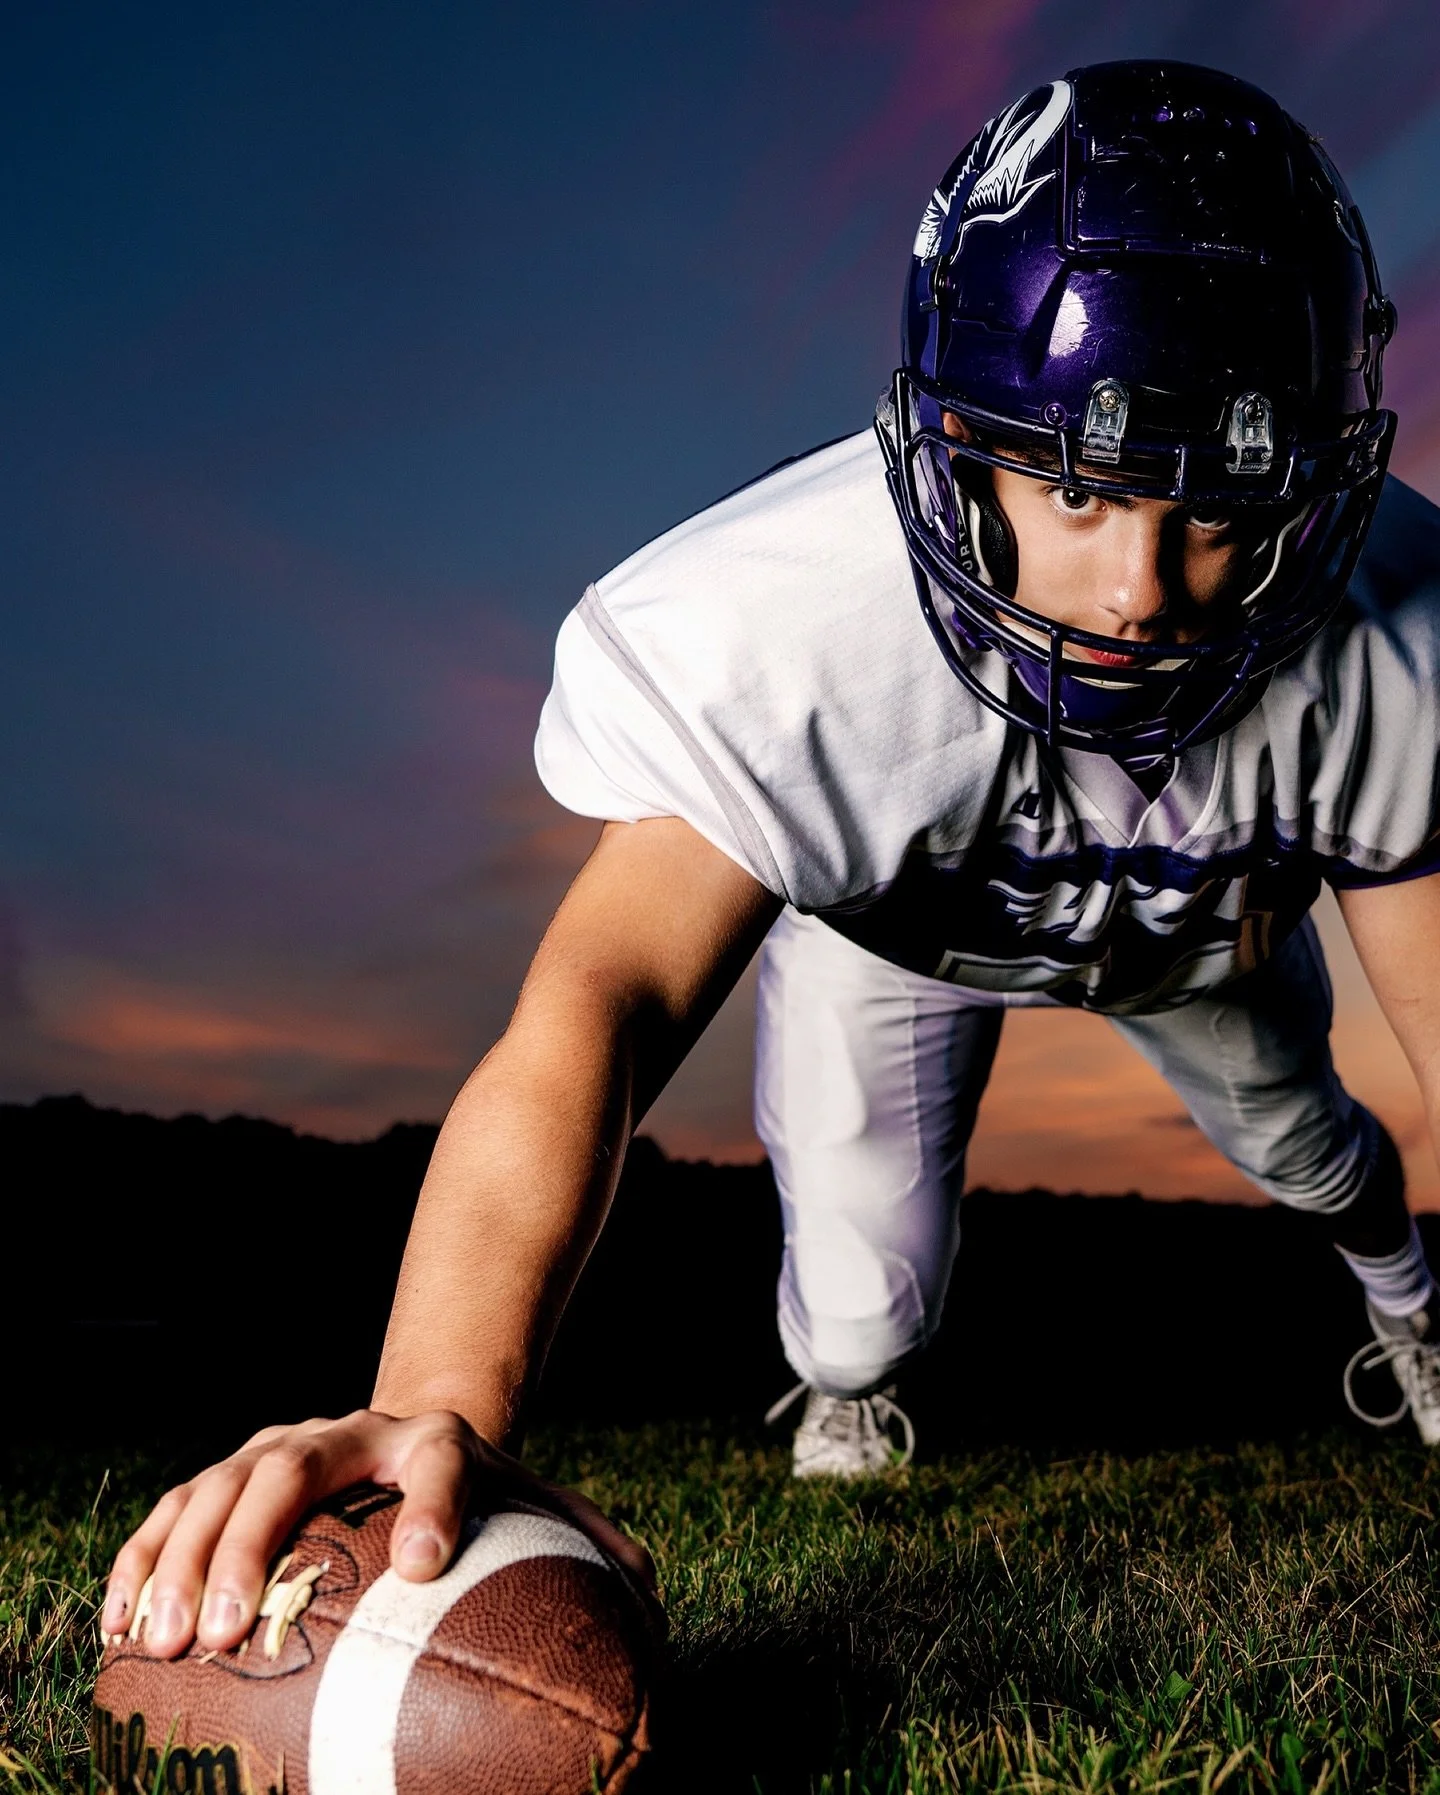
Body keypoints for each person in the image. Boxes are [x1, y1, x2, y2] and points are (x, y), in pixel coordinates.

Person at [104, 60, 1440, 1658]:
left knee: (1315, 1142)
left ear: (1314, 476)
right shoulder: (787, 630)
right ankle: (853, 1391)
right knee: (862, 1306)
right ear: (953, 440)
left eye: (1215, 500)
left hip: (1190, 925)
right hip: (895, 932)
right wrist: (429, 1410)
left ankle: (1416, 1314)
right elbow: (594, 1006)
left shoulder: (1392, 632)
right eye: (1075, 484)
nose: (1141, 590)